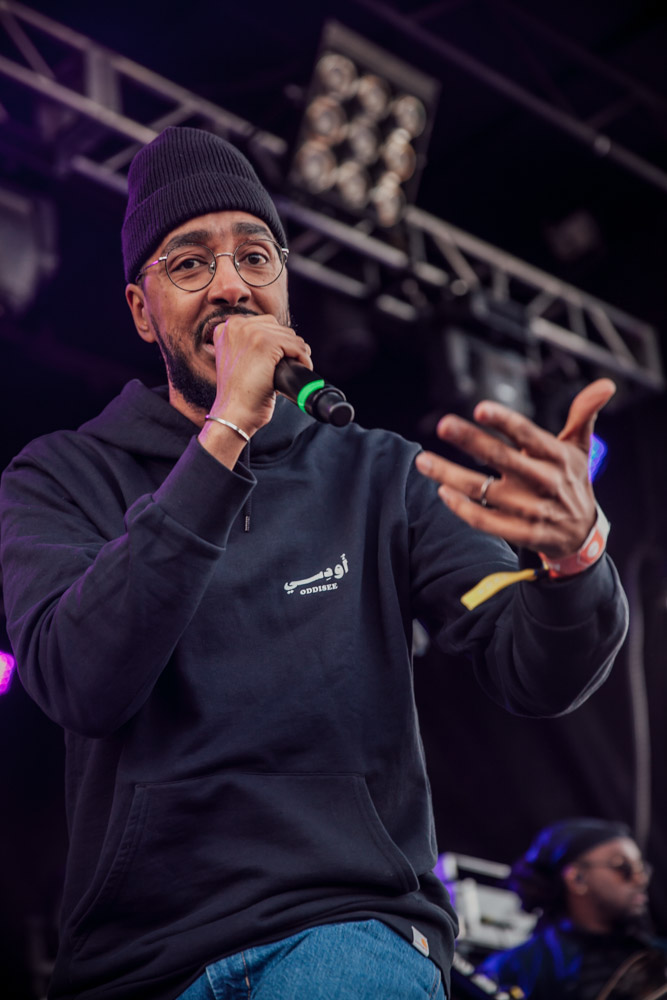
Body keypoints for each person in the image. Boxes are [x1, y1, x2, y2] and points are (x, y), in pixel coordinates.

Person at [0, 126, 628, 1000]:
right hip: (134, 961)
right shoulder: (60, 475)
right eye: (189, 264)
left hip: (341, 924)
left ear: (285, 285)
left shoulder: (379, 473)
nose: (230, 284)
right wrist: (224, 439)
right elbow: (81, 679)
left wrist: (573, 558)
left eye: (254, 256)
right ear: (142, 310)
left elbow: (532, 671)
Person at [477, 818, 667, 999]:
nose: (640, 879)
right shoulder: (510, 971)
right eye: (623, 867)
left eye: (641, 868)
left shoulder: (658, 956)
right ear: (577, 879)